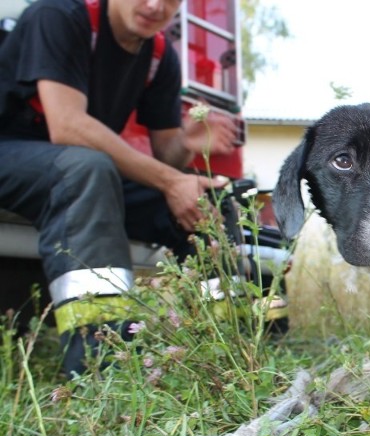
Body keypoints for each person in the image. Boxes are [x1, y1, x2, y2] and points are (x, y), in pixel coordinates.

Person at [0, 0, 238, 376]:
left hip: (74, 168)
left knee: (209, 196)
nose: (156, 5)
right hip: (12, 152)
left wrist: (188, 143)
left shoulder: (160, 56)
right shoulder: (59, 16)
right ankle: (102, 366)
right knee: (88, 167)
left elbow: (167, 155)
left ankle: (238, 345)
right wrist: (171, 179)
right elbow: (67, 126)